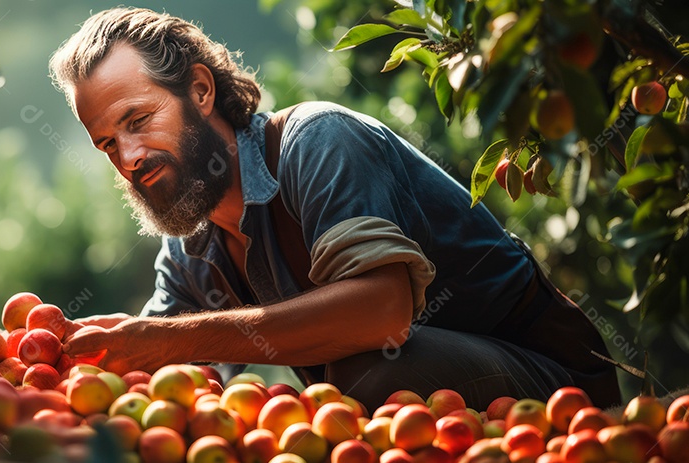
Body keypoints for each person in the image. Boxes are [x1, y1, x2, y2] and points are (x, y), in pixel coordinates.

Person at [49, 7, 620, 410]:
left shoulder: (316, 142)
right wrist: (61, 369)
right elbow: (171, 375)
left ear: (199, 90)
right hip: (426, 416)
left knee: (366, 365)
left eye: (138, 121)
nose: (128, 157)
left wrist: (163, 341)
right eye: (106, 144)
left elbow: (381, 312)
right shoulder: (190, 250)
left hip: (556, 385)